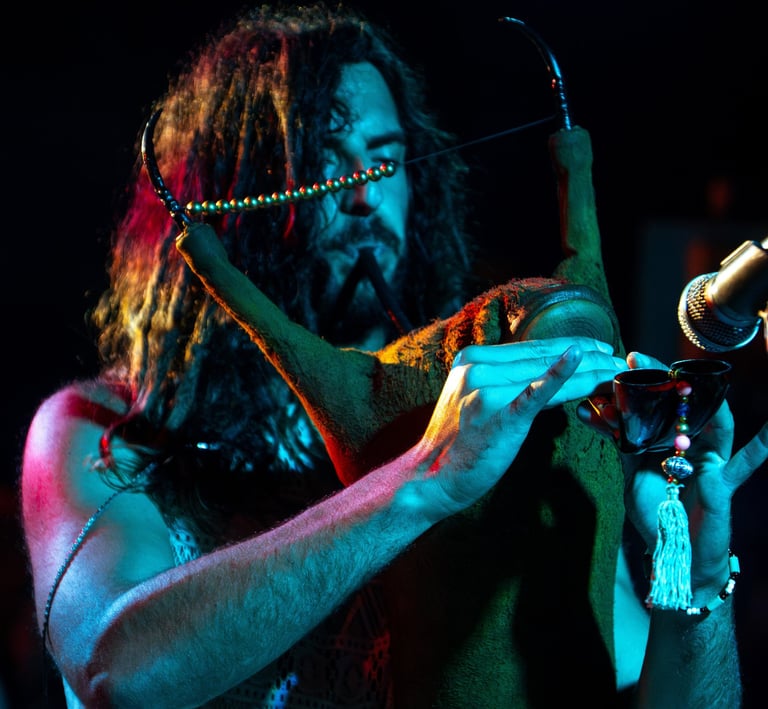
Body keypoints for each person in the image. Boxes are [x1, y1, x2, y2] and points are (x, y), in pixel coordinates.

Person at [20, 3, 767, 707]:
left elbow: (632, 682)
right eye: (326, 165)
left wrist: (694, 573)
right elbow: (116, 673)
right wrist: (420, 481)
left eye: (384, 160)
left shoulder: (507, 419)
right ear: (230, 193)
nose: (363, 200)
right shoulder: (103, 429)